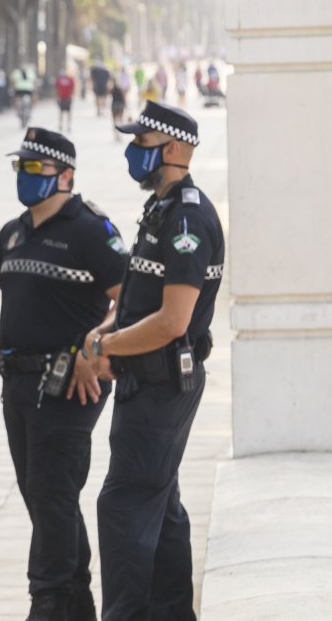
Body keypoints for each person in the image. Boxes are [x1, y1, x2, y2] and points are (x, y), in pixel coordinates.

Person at [0, 128, 127, 621]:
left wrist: (94, 346)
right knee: (41, 495)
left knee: (52, 491)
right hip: (16, 381)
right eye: (21, 168)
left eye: (35, 168)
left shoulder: (90, 229)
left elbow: (130, 299)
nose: (25, 176)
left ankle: (49, 600)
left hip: (71, 383)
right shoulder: (15, 231)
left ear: (66, 175)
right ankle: (76, 601)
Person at [78, 101, 224, 621]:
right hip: (148, 384)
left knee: (123, 505)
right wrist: (106, 331)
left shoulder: (187, 217)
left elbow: (172, 321)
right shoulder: (161, 209)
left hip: (162, 385)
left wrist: (105, 348)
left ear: (175, 149)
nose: (133, 150)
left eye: (142, 143)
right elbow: (140, 301)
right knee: (160, 510)